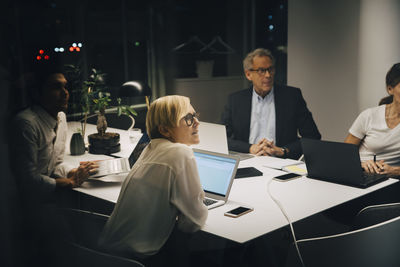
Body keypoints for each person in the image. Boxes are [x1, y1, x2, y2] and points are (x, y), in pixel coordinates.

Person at [99, 95, 208, 266]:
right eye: (188, 118)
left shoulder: (149, 148)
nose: (196, 122)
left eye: (195, 116)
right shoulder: (180, 152)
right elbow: (193, 221)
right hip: (136, 260)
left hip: (106, 255)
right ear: (165, 130)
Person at [221, 48, 321, 159]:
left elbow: (313, 137)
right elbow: (222, 138)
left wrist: (284, 150)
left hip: (281, 163)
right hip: (248, 160)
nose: (268, 75)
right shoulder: (236, 100)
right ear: (248, 74)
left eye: (270, 69)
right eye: (261, 70)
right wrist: (250, 148)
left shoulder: (292, 97)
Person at [345, 63, 400, 177]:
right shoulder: (369, 115)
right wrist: (361, 164)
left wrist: (394, 170)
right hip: (357, 173)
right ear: (390, 89)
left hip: (389, 180)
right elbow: (343, 154)